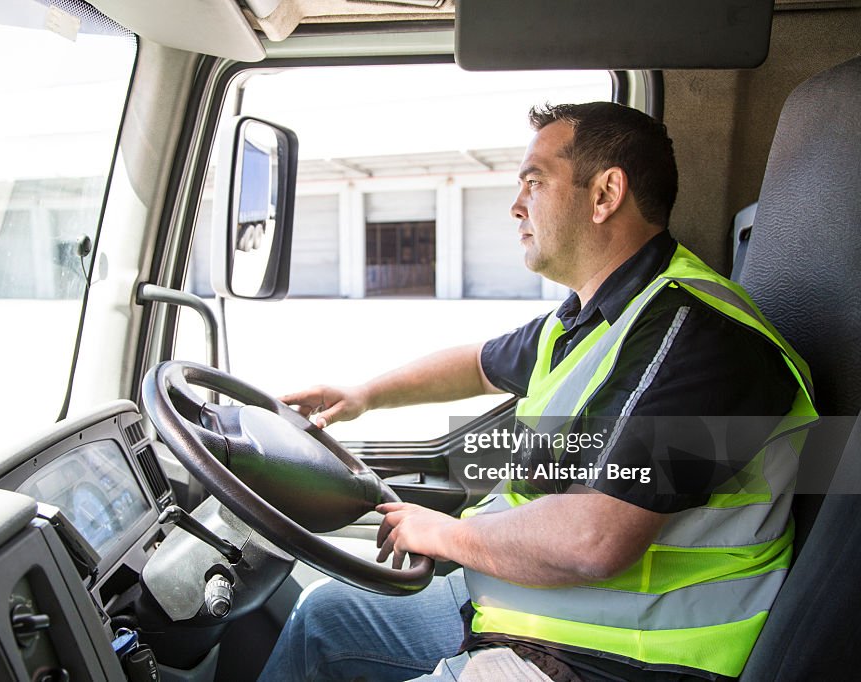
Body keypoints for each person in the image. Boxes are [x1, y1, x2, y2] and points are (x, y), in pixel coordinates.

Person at [257, 102, 817, 681]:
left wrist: (449, 534)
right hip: (529, 611)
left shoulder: (698, 336)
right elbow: (477, 364)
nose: (515, 205)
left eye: (534, 182)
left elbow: (594, 540)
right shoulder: (586, 319)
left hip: (621, 658)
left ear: (605, 195)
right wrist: (364, 394)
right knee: (324, 615)